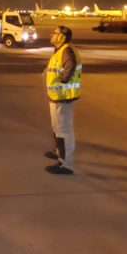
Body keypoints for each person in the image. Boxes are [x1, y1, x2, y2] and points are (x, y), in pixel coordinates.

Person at [44, 25, 82, 175]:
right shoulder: (61, 50)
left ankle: (66, 165)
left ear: (62, 36)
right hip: (57, 96)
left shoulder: (66, 50)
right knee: (57, 127)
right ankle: (60, 152)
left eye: (55, 33)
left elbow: (70, 67)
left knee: (63, 130)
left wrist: (61, 81)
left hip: (62, 96)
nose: (51, 35)